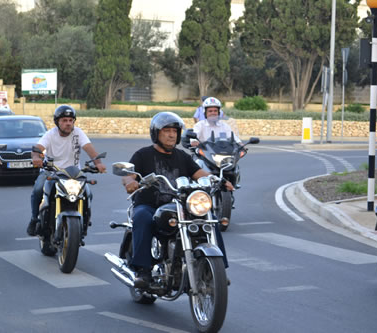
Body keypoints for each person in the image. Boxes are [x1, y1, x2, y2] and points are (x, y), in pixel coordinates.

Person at [122, 111, 232, 288]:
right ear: (156, 133)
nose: (172, 134)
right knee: (141, 217)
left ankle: (218, 271)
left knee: (208, 218)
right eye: (166, 131)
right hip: (150, 205)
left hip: (179, 205)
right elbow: (129, 175)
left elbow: (199, 173)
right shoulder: (143, 154)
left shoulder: (183, 157)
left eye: (174, 131)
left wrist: (218, 180)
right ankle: (143, 270)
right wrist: (130, 182)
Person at [27, 105, 106, 236]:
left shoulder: (78, 133)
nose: (68, 124)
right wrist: (36, 157)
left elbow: (89, 148)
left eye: (70, 120)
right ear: (57, 122)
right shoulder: (50, 135)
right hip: (52, 171)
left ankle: (85, 222)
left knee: (88, 194)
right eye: (64, 120)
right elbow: (38, 147)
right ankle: (34, 219)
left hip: (73, 173)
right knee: (38, 189)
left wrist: (99, 163)